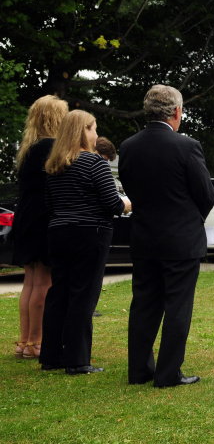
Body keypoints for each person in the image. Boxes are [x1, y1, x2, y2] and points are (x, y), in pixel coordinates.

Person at [118, 84, 214, 387]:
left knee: (144, 305)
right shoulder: (186, 146)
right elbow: (206, 194)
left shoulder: (129, 146)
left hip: (145, 237)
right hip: (181, 241)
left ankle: (139, 370)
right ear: (176, 112)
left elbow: (130, 188)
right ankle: (168, 373)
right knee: (177, 307)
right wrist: (189, 219)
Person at [39, 110, 130, 374]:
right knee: (83, 295)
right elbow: (112, 203)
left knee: (59, 293)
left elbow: (49, 204)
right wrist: (127, 204)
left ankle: (51, 356)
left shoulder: (53, 166)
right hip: (90, 232)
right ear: (83, 131)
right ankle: (77, 360)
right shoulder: (95, 163)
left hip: (58, 232)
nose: (96, 134)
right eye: (93, 129)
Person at [11, 95, 68, 359]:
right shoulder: (52, 147)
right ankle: (37, 342)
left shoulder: (28, 149)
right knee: (44, 282)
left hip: (25, 217)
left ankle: (24, 341)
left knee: (31, 281)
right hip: (44, 217)